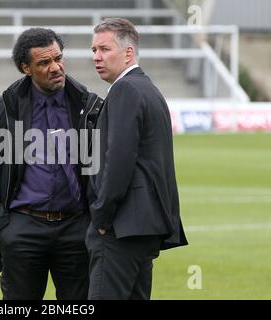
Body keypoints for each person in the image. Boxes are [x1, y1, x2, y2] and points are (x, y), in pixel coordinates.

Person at [0, 27, 103, 300]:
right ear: (25, 68)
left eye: (58, 58)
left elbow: (106, 167)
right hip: (21, 229)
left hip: (76, 229)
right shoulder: (0, 109)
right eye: (44, 62)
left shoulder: (91, 107)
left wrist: (94, 219)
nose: (55, 67)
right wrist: (1, 225)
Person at [86, 18, 188, 300]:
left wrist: (101, 216)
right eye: (94, 50)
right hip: (145, 225)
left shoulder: (125, 90)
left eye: (104, 49)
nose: (96, 57)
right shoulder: (148, 89)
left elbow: (118, 159)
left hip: (121, 226)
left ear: (128, 53)